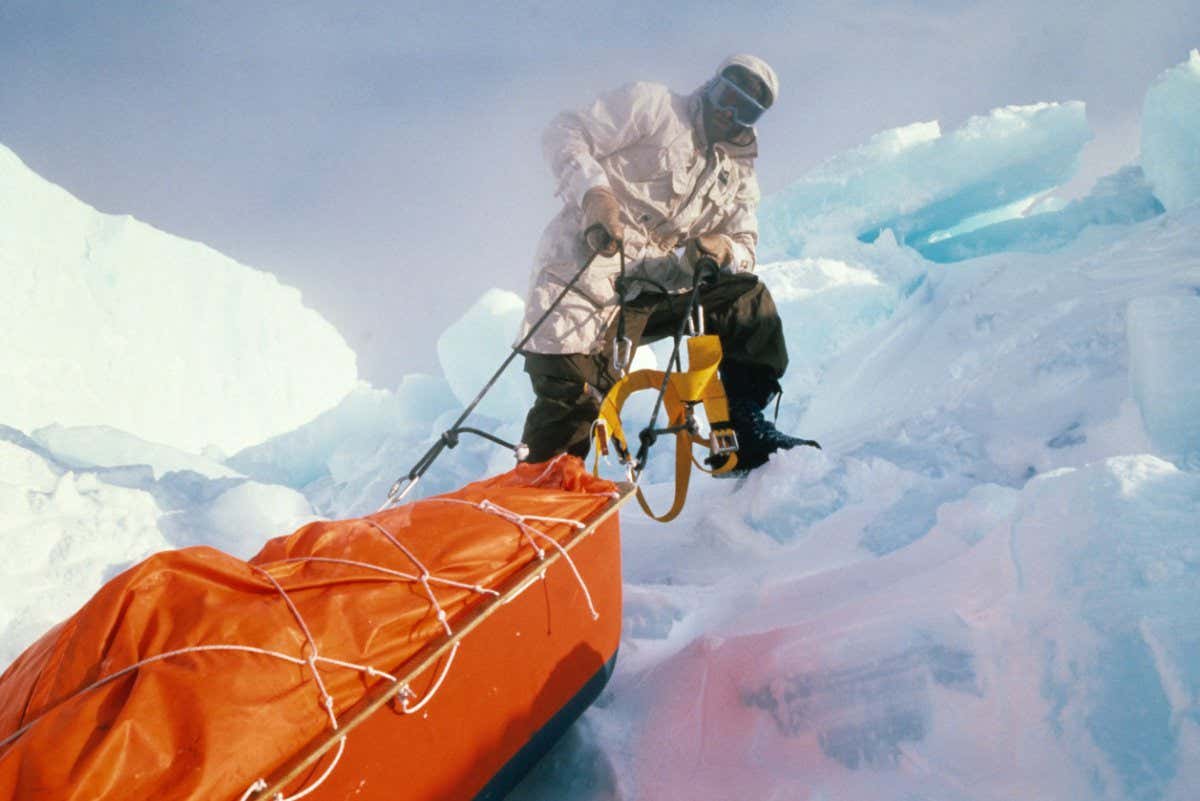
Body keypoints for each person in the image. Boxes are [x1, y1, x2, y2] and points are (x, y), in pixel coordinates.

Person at [516, 54, 807, 473]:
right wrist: (595, 195)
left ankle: (745, 434)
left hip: (654, 293)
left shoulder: (739, 175)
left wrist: (722, 248)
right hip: (582, 274)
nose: (728, 112)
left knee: (746, 299)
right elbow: (565, 131)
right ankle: (539, 492)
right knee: (572, 394)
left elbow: (745, 246)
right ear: (712, 84)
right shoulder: (652, 107)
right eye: (728, 95)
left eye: (743, 109)